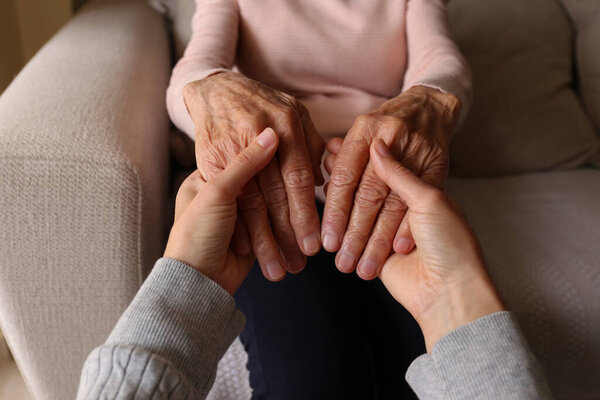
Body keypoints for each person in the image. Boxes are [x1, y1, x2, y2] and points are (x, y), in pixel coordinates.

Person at [76, 129, 553, 399]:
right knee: (313, 378)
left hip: (381, 200)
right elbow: (196, 76)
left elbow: (443, 77)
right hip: (275, 209)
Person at [167, 1, 472, 396]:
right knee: (312, 380)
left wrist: (431, 99)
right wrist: (208, 90)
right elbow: (192, 73)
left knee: (425, 367)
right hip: (273, 198)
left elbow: (441, 60)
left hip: (382, 188)